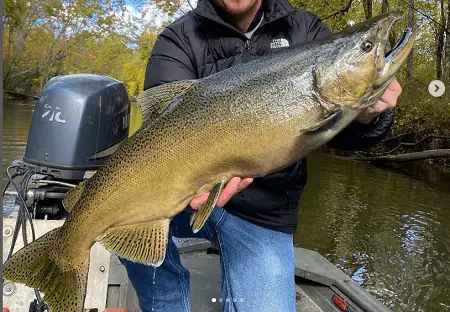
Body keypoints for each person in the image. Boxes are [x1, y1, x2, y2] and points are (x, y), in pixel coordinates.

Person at [120, 0, 402, 311]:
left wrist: (366, 116)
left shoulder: (306, 29)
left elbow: (340, 135)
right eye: (366, 46)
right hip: (186, 196)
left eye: (365, 46)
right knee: (118, 215)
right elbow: (161, 130)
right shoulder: (178, 39)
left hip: (264, 211)